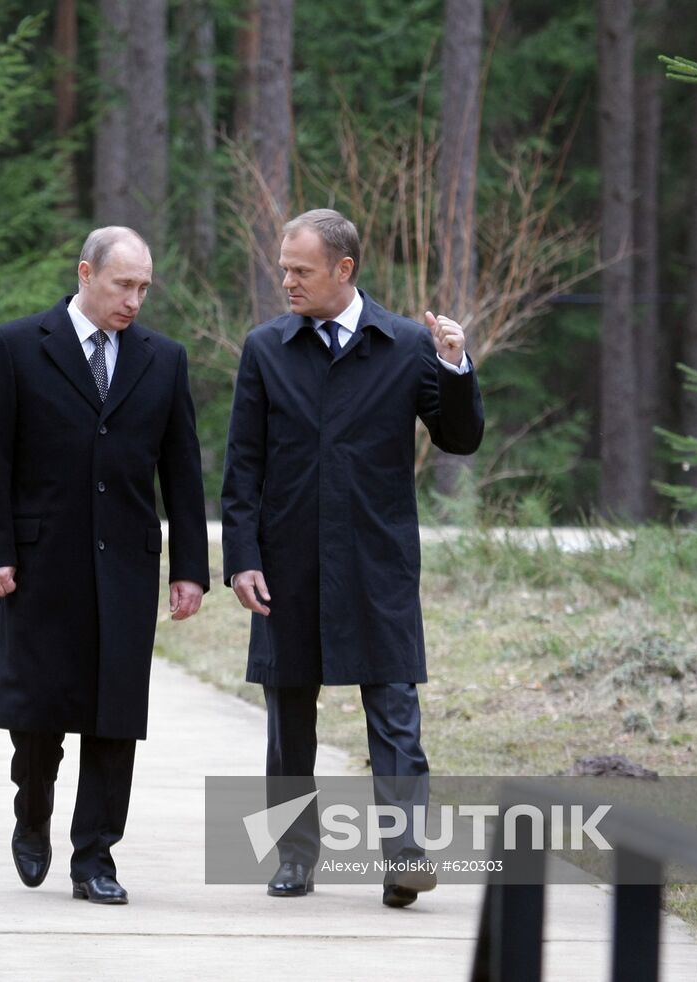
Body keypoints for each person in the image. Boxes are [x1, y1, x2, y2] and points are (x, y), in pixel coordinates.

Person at [220, 208, 484, 908]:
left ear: (344, 270)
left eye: (300, 270)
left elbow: (459, 438)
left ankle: (405, 858)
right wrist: (242, 556)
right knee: (288, 720)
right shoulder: (267, 348)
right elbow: (242, 465)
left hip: (377, 560)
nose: (286, 281)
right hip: (287, 562)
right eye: (283, 267)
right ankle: (293, 858)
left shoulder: (404, 345)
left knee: (396, 712)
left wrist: (455, 365)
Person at [0, 226, 210, 906]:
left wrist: (190, 568)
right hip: (42, 563)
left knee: (114, 717)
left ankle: (95, 857)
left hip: (126, 567)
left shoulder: (163, 359)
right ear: (85, 273)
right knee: (38, 712)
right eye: (122, 285)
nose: (134, 300)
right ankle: (32, 810)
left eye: (143, 289)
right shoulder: (16, 347)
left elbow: (182, 474)